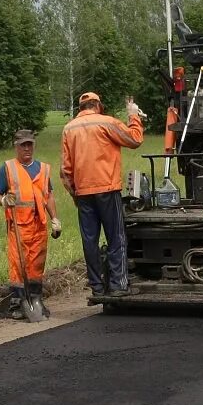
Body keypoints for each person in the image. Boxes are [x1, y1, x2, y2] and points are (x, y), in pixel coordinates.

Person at [60, 92, 144, 297]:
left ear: (81, 107)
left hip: (83, 193)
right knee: (116, 237)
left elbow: (65, 170)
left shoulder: (69, 128)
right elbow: (135, 139)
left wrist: (74, 195)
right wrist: (133, 115)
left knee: (90, 241)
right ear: (97, 105)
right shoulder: (106, 122)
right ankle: (118, 285)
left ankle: (97, 288)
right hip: (107, 189)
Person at [0, 129, 62, 319]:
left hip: (39, 226)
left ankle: (35, 299)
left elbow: (49, 196)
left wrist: (55, 218)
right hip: (19, 226)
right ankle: (18, 303)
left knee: (36, 266)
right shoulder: (8, 168)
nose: (27, 148)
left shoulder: (44, 169)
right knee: (18, 266)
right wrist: (4, 200)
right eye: (23, 145)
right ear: (16, 146)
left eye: (30, 144)